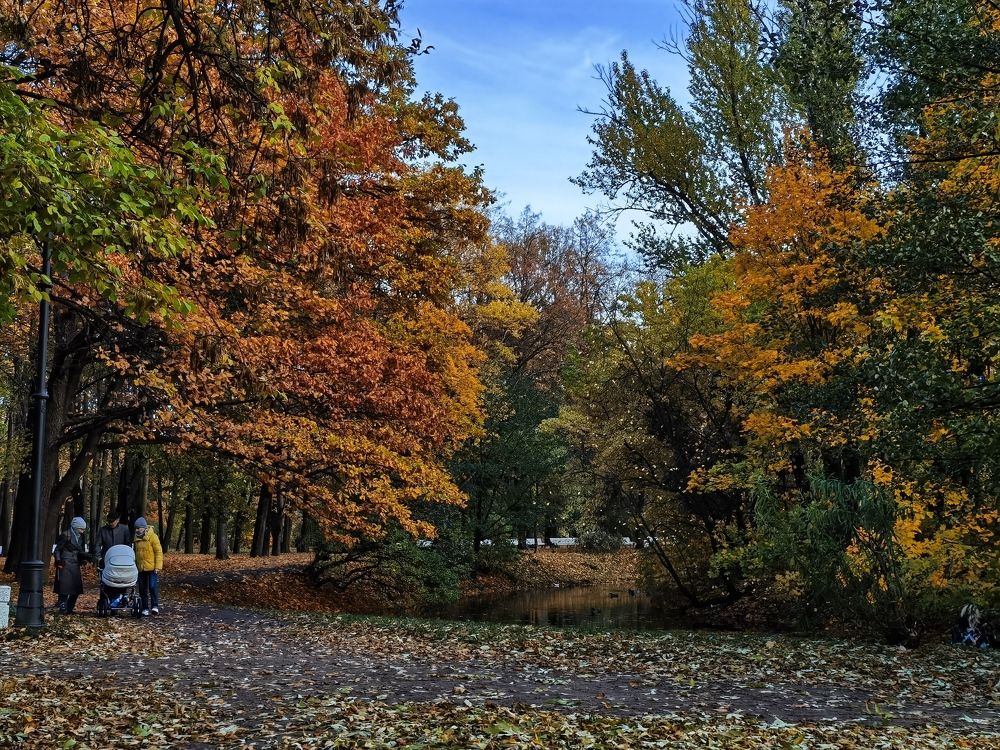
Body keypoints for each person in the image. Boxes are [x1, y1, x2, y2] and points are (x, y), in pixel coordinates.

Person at [53, 516, 92, 614]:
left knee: (76, 589)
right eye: (81, 529)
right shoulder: (66, 535)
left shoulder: (79, 537)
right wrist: (58, 561)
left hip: (74, 564)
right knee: (64, 588)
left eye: (83, 529)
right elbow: (57, 549)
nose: (82, 531)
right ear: (75, 527)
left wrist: (86, 558)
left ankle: (69, 608)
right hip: (65, 564)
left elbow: (78, 551)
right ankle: (63, 606)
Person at [133, 517, 162, 616]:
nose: (137, 530)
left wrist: (157, 566)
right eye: (136, 528)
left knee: (153, 587)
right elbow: (135, 554)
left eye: (139, 528)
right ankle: (145, 608)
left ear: (144, 528)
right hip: (141, 568)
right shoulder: (136, 539)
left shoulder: (153, 536)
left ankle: (155, 606)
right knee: (142, 588)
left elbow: (158, 552)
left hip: (152, 567)